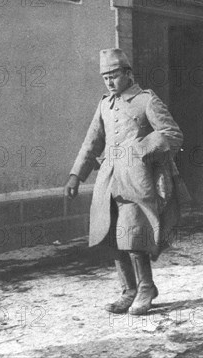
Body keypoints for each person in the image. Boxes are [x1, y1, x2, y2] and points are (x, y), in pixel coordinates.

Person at [64, 48, 184, 315]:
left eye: (114, 75)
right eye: (105, 77)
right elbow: (92, 142)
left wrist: (143, 149)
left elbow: (173, 134)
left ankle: (145, 287)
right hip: (108, 181)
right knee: (111, 235)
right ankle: (128, 289)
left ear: (128, 74)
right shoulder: (104, 104)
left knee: (133, 236)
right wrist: (76, 175)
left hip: (137, 181)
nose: (109, 82)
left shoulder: (146, 101)